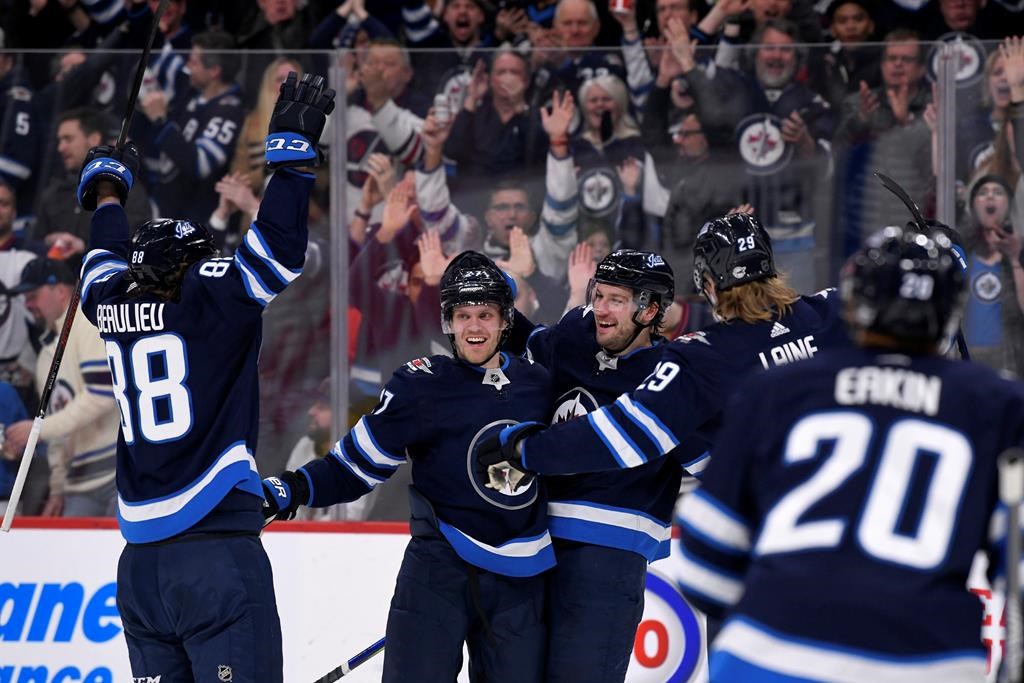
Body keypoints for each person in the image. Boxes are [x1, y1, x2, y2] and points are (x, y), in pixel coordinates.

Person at [675, 225, 1024, 681]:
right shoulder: (996, 405)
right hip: (923, 660)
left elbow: (703, 564)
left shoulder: (778, 389)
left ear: (856, 305)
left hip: (769, 654)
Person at [76, 71, 335, 679]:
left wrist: (108, 192)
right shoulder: (211, 294)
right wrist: (293, 163)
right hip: (214, 550)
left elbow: (99, 263)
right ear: (195, 266)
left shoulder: (112, 299)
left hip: (138, 567)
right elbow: (276, 251)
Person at [262, 251, 556, 682]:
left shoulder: (541, 385)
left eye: (486, 315)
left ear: (505, 320)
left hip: (520, 578)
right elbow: (354, 466)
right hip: (438, 571)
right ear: (448, 321)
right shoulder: (421, 385)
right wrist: (294, 488)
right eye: (463, 315)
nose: (474, 327)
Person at [478, 212, 849, 490]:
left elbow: (625, 434)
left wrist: (527, 451)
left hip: (787, 528)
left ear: (707, 285)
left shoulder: (702, 357)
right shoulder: (836, 311)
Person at [503, 249, 705, 682]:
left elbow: (712, 461)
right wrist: (492, 291)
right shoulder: (578, 331)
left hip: (608, 557)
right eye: (599, 295)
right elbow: (530, 344)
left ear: (650, 309)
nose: (601, 309)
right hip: (532, 542)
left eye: (616, 300)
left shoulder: (672, 377)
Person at [4, 258, 119, 517]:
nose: (28, 304)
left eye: (33, 295)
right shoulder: (47, 353)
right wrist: (57, 488)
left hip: (117, 474)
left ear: (60, 290)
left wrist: (38, 431)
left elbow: (102, 395)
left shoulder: (88, 321)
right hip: (78, 483)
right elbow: (58, 426)